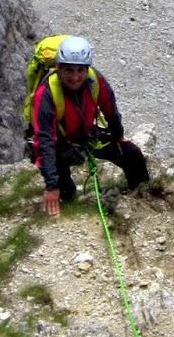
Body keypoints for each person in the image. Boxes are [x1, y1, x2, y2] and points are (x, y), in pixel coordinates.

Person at [31, 35, 149, 215]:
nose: (75, 77)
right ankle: (66, 195)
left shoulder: (95, 81)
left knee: (132, 155)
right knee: (66, 193)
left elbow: (110, 109)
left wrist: (118, 136)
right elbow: (44, 140)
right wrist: (51, 186)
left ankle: (143, 195)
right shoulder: (46, 93)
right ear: (58, 68)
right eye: (69, 70)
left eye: (80, 70)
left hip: (86, 134)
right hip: (59, 144)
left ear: (87, 69)